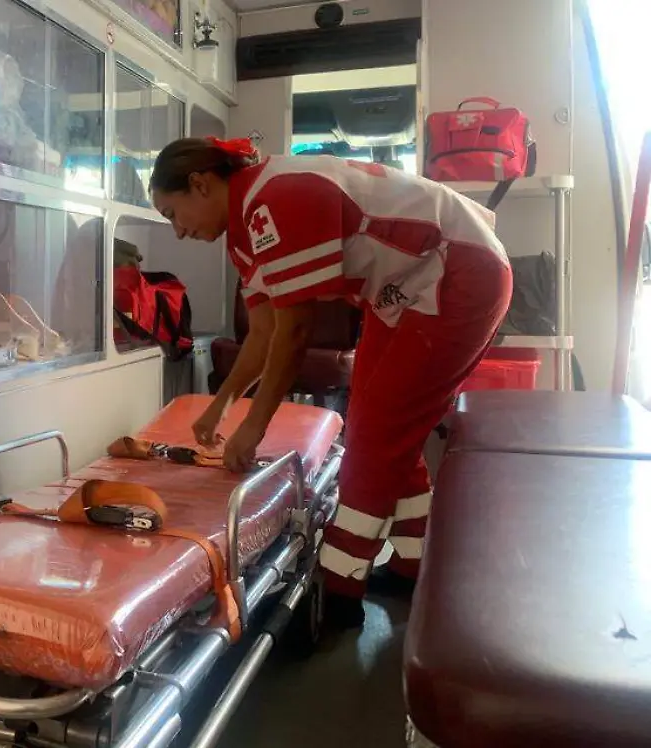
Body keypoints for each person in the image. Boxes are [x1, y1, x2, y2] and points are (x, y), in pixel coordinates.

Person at [148, 136, 513, 628]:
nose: (178, 231)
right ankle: (411, 565)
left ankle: (336, 595)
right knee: (375, 426)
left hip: (458, 271)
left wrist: (253, 428)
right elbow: (263, 334)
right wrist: (221, 408)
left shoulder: (276, 197)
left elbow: (294, 333)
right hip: (405, 288)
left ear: (200, 183)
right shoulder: (244, 233)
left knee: (376, 435)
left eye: (173, 213)